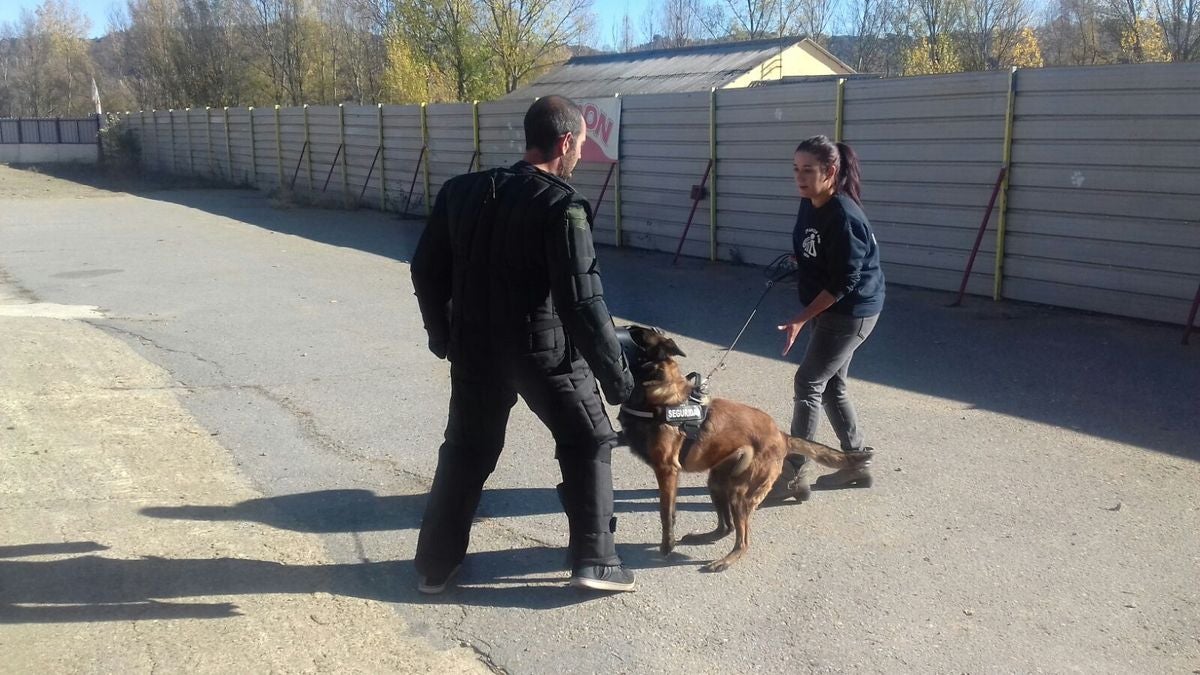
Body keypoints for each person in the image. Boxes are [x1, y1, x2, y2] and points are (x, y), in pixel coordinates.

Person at [409, 95, 636, 594]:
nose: (579, 155)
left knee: (467, 450)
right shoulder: (563, 204)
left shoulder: (460, 191)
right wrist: (620, 380)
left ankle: (434, 566)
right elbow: (582, 301)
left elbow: (425, 268)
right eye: (579, 146)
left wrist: (442, 334)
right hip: (545, 354)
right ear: (565, 141)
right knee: (590, 438)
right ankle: (596, 562)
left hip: (474, 351)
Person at [769, 135, 884, 500]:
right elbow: (813, 247)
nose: (800, 178)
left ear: (831, 171)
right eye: (796, 170)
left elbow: (845, 281)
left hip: (851, 312)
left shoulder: (844, 217)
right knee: (831, 384)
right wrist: (799, 262)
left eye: (808, 171)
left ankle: (793, 475)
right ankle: (855, 464)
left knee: (808, 383)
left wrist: (801, 318)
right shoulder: (811, 202)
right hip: (831, 306)